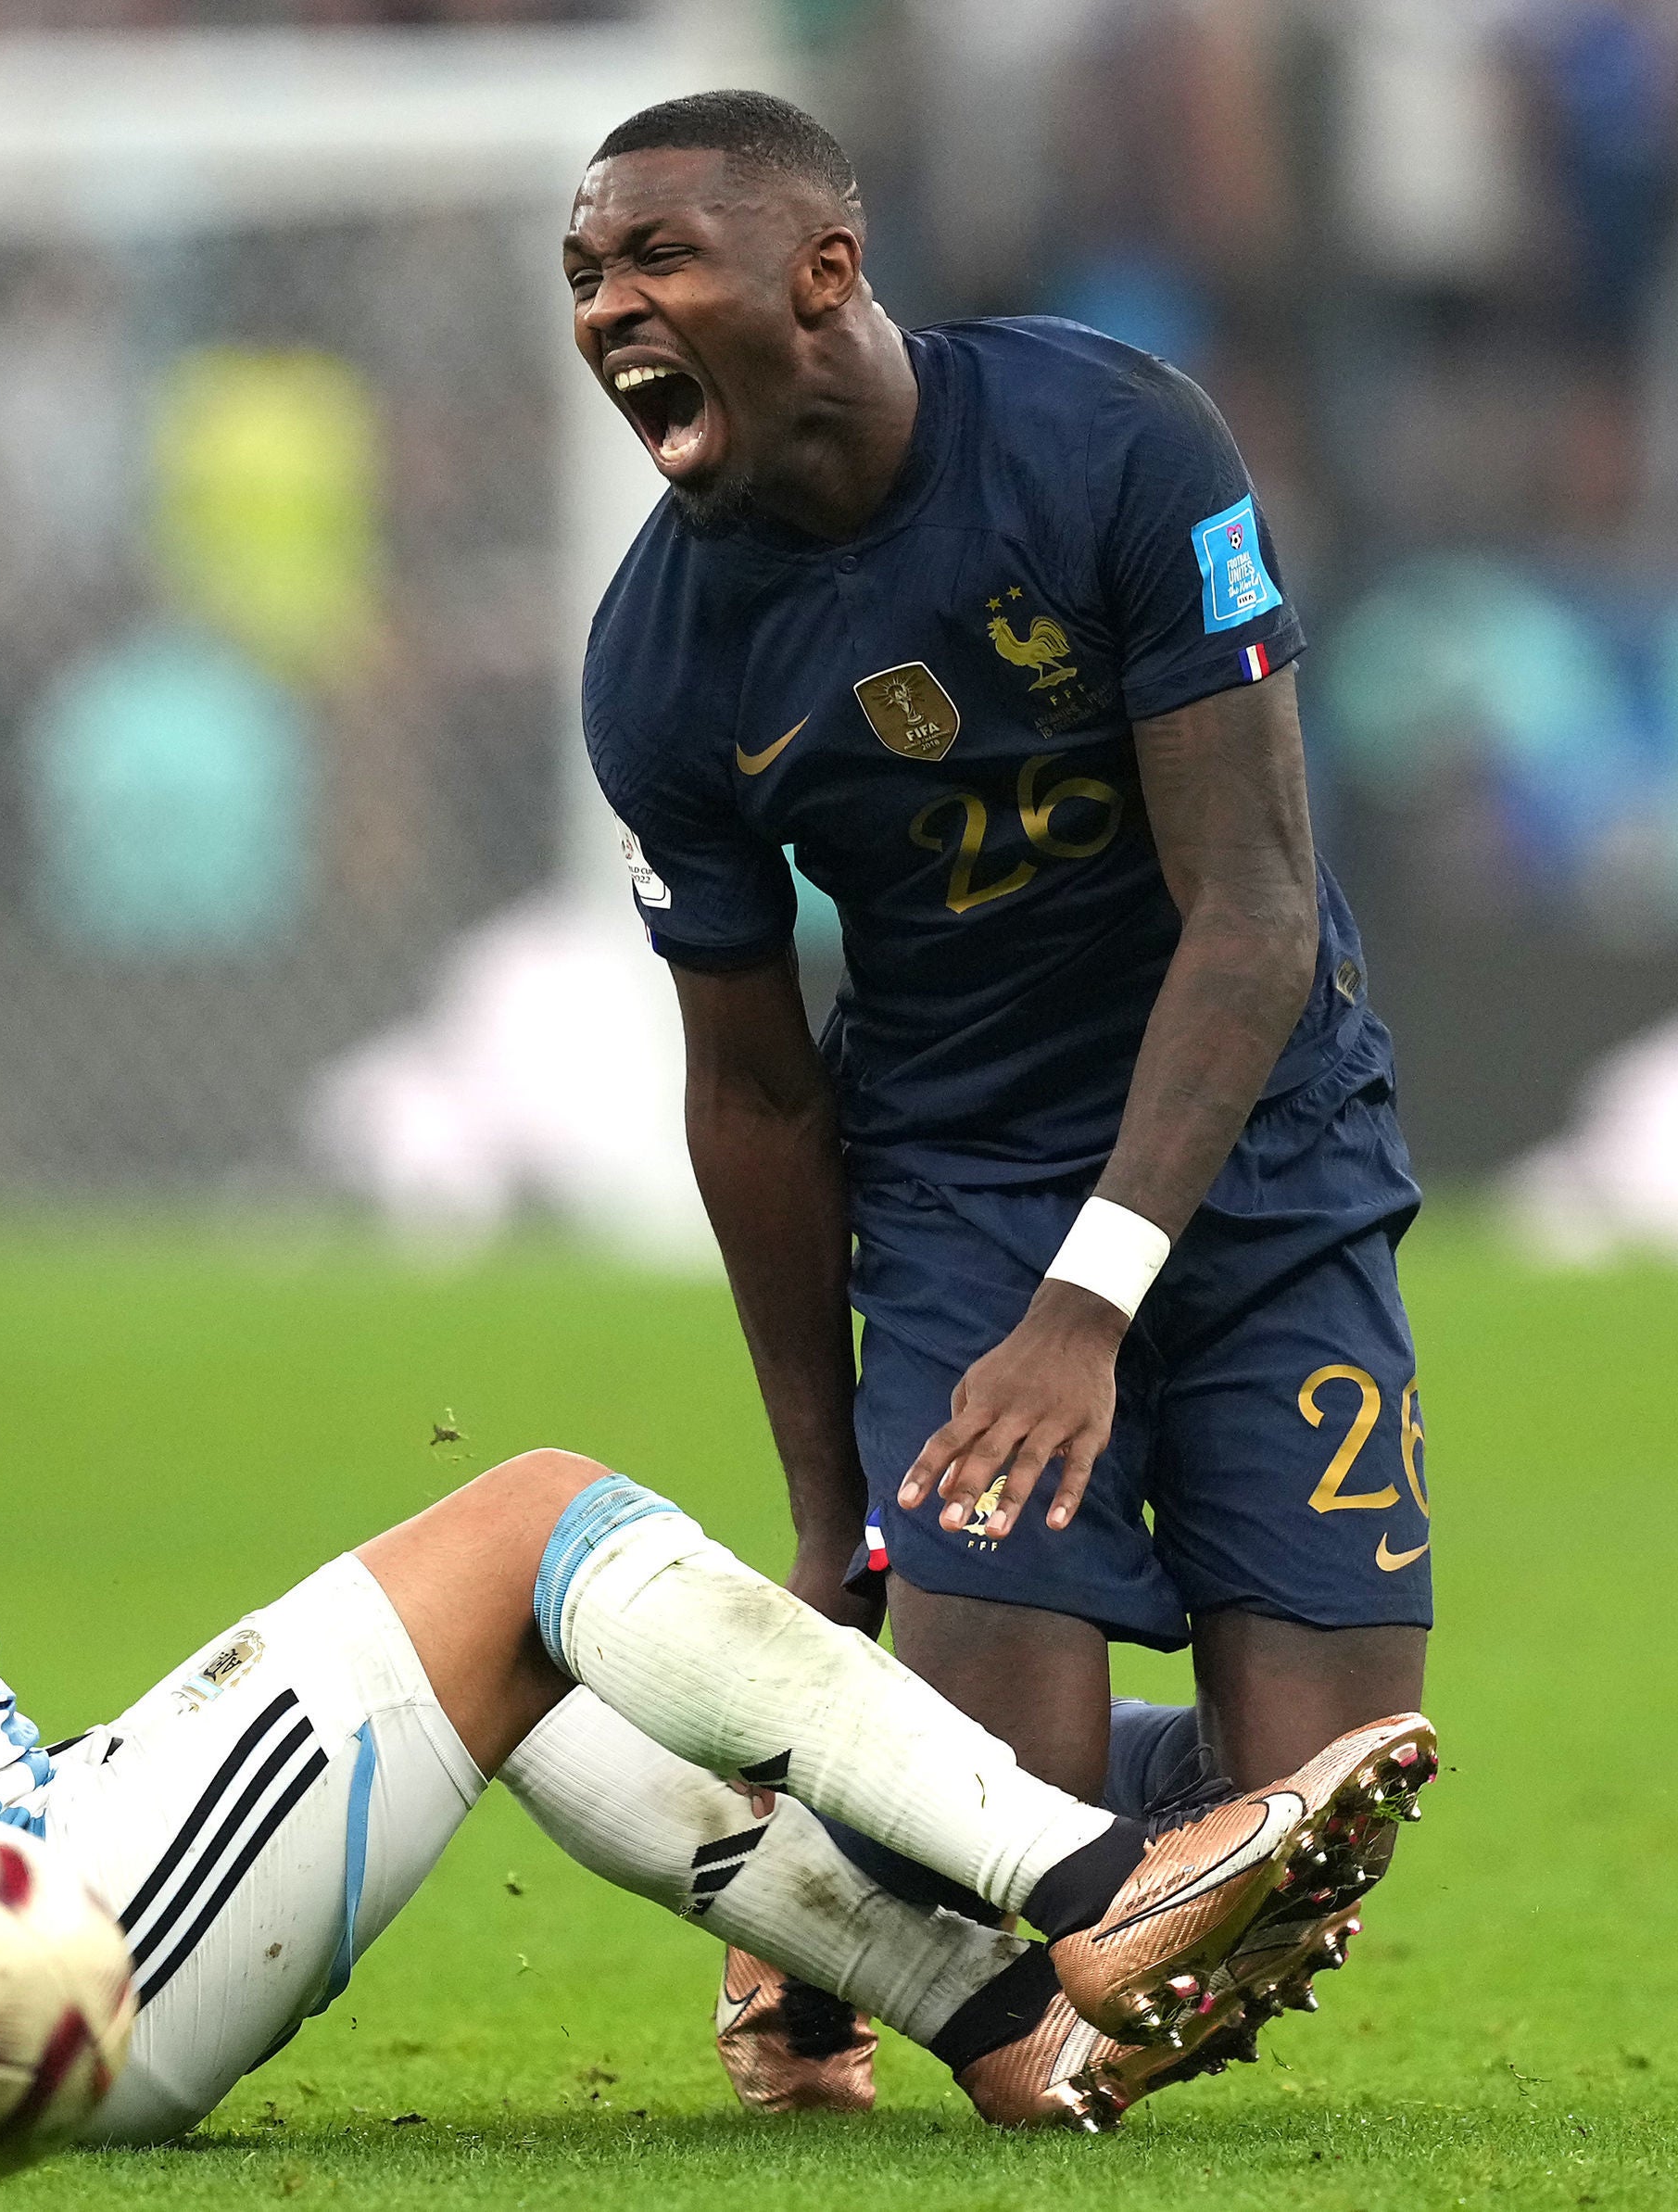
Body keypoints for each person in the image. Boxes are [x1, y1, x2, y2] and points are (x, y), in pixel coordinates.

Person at [0, 856, 1440, 2167]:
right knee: (544, 1521)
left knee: (543, 1657)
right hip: (8, 1959)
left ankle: (999, 2027)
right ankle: (1096, 1886)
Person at [564, 92, 1432, 2106]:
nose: (612, 306)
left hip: (1263, 1140)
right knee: (1008, 1836)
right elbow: (758, 1094)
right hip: (959, 1176)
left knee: (1319, 1808)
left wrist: (1090, 1307)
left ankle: (855, 1831)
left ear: (823, 275)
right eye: (585, 274)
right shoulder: (661, 661)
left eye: (657, 259)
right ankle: (841, 1868)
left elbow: (1252, 909)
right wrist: (818, 1510)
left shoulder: (1119, 444)